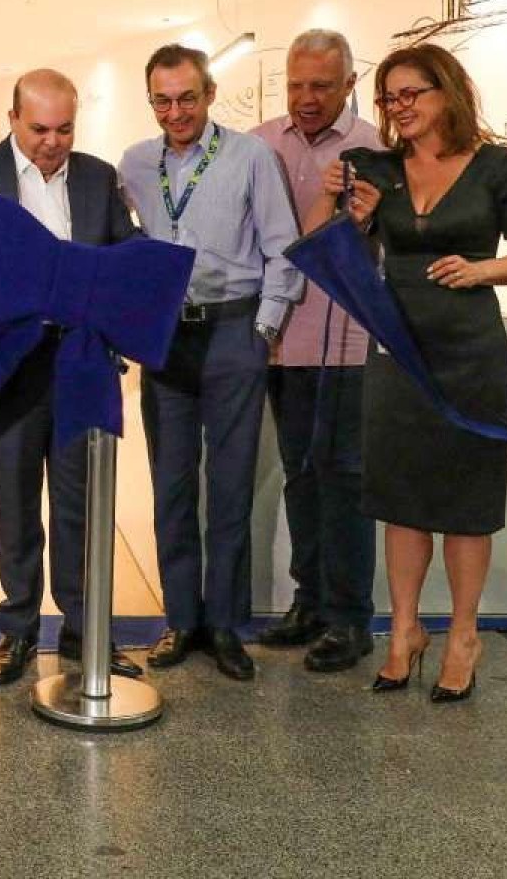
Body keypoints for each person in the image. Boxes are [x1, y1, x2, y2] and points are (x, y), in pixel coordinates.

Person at [327, 43, 507, 702]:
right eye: (390, 98)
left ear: (446, 92)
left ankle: (462, 635)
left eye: (411, 94)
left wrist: (481, 269)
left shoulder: (499, 171)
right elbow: (349, 255)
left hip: (470, 353)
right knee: (399, 503)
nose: (399, 109)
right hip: (396, 349)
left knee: (465, 505)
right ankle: (403, 632)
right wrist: (361, 223)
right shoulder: (379, 171)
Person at [0, 69, 139, 688]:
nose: (52, 141)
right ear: (12, 119)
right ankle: (17, 630)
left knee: (79, 505)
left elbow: (124, 250)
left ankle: (82, 631)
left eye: (64, 128)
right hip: (5, 366)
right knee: (13, 504)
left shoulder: (96, 177)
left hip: (78, 363)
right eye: (39, 128)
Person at [119, 44, 302, 683]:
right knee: (171, 485)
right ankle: (181, 619)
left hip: (232, 333)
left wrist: (265, 326)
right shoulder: (136, 164)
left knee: (228, 488)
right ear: (151, 102)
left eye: (187, 97)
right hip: (166, 339)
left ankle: (224, 623)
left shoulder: (251, 157)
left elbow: (284, 248)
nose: (176, 111)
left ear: (209, 93)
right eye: (163, 100)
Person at [249, 30, 384, 672]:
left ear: (349, 85)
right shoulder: (259, 142)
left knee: (348, 479)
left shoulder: (375, 151)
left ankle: (350, 618)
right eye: (296, 84)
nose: (306, 98)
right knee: (301, 473)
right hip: (280, 342)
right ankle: (308, 602)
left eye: (321, 86)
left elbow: (386, 248)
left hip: (349, 343)